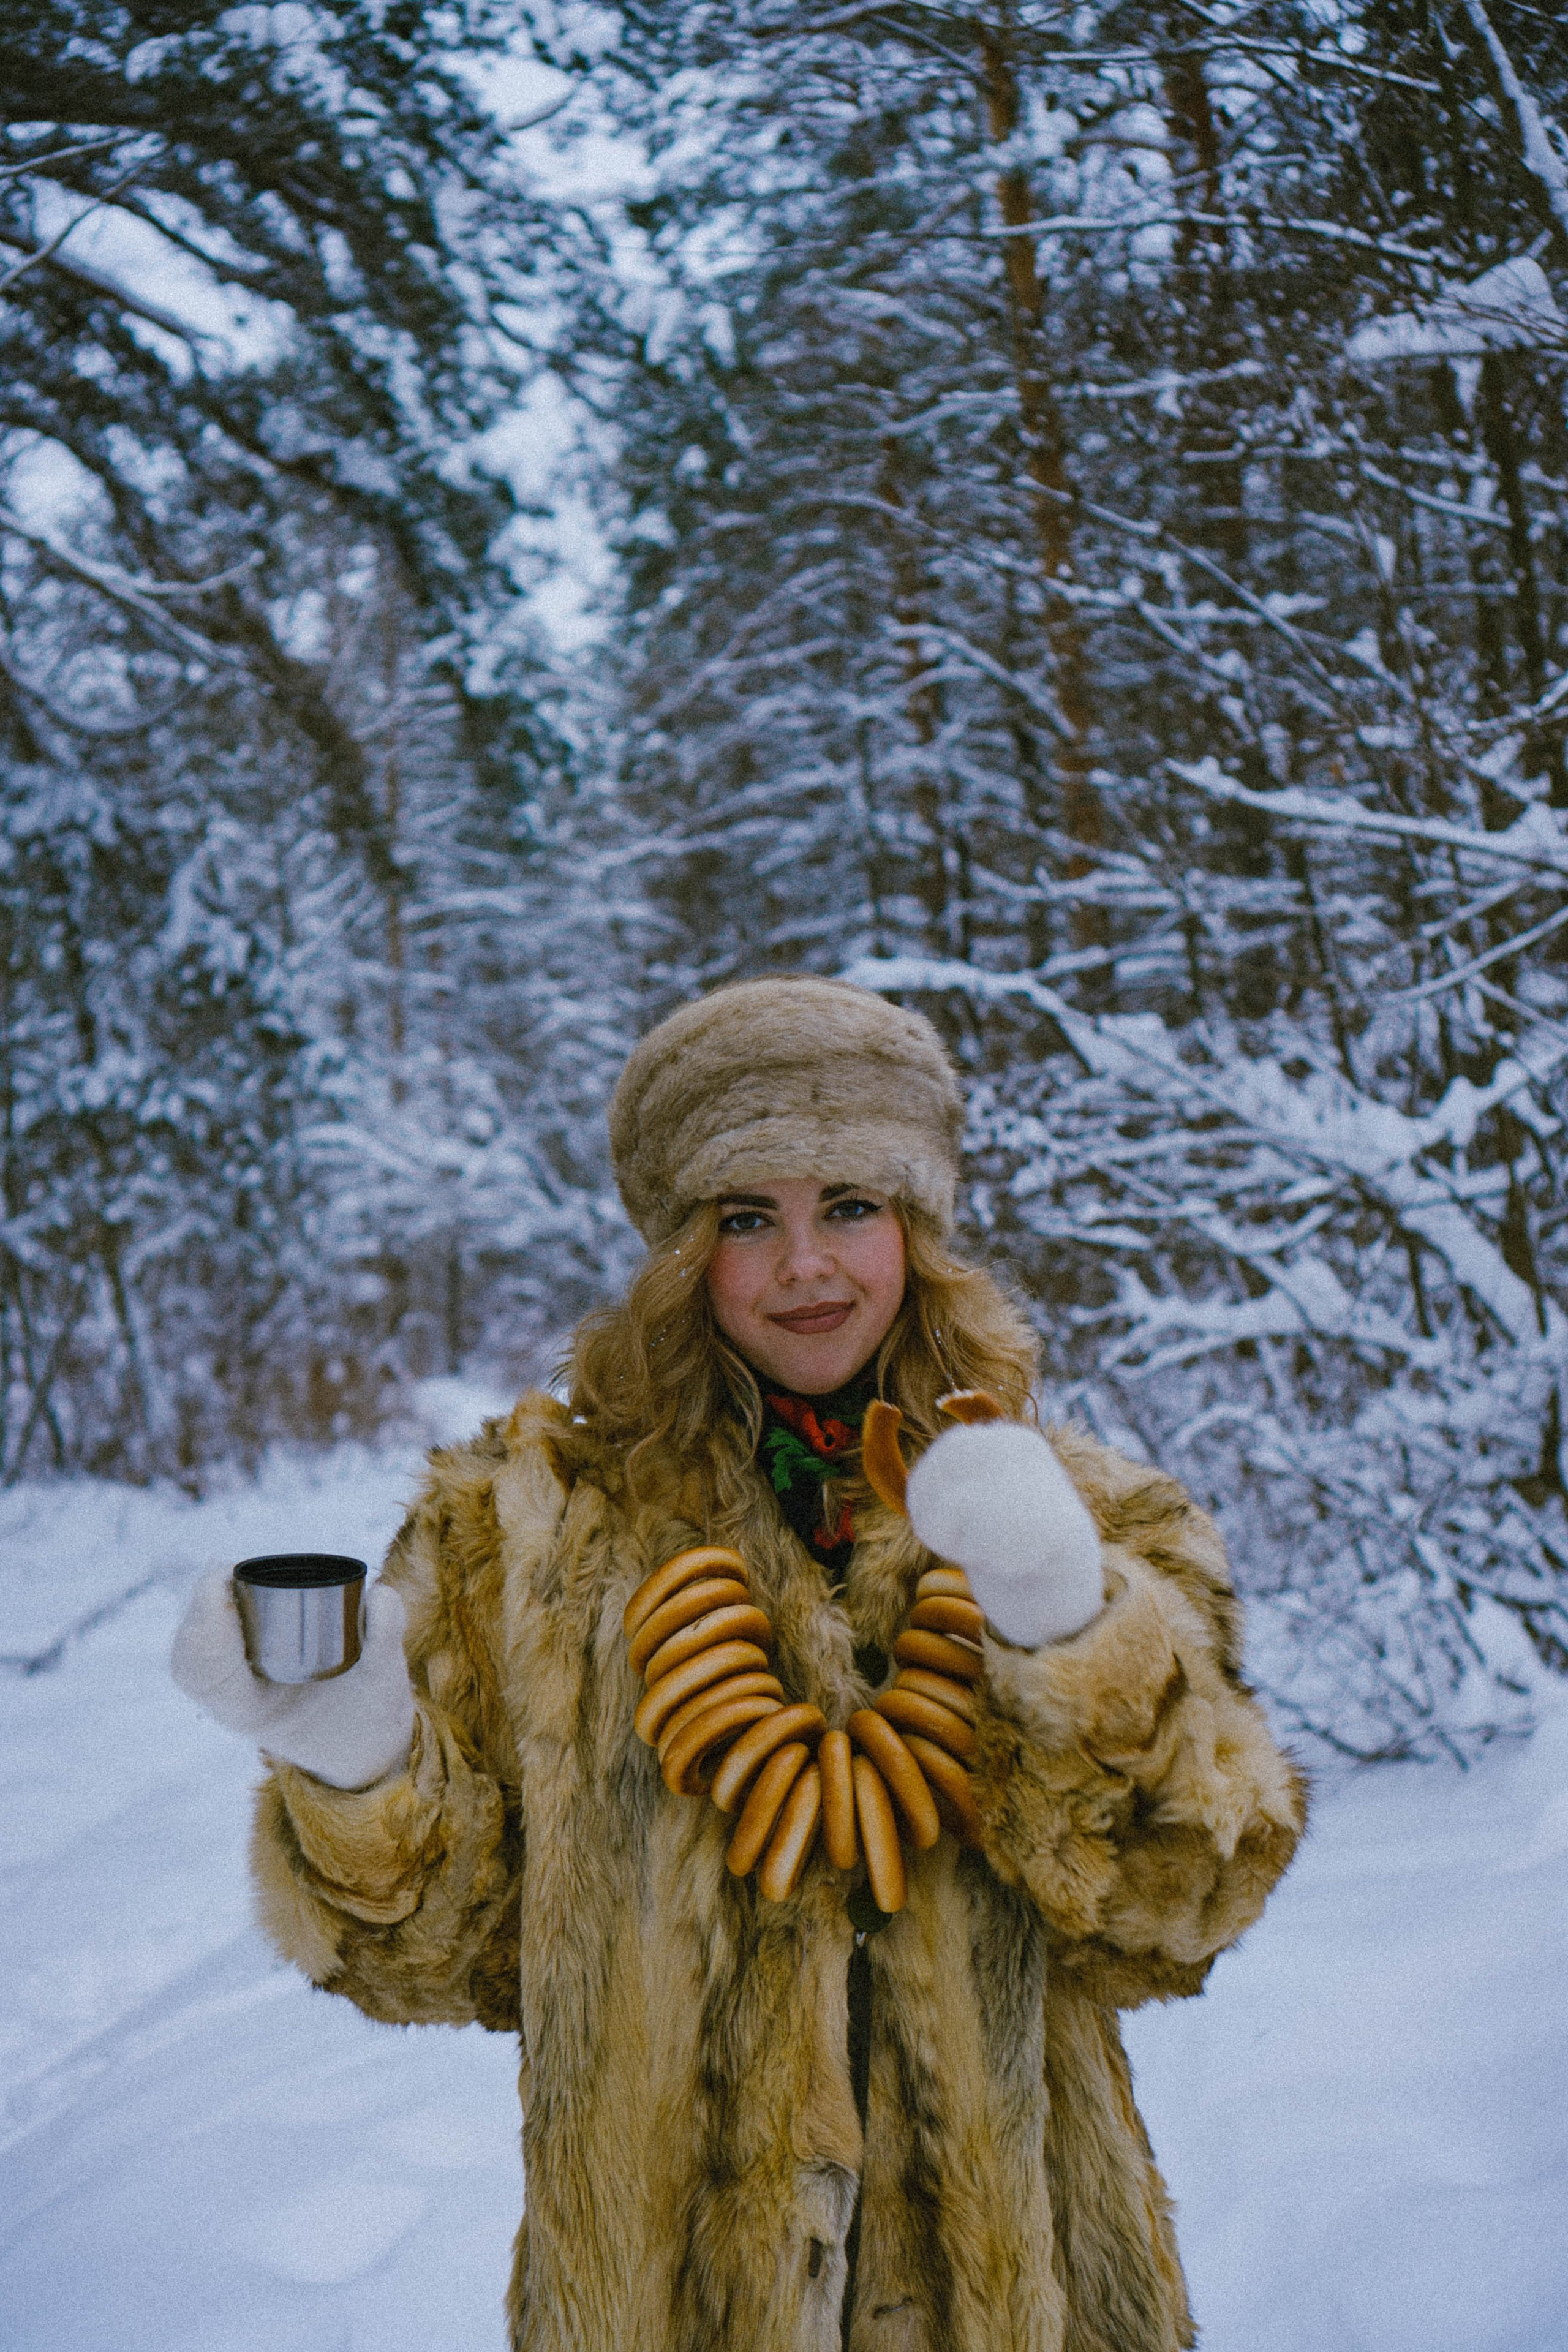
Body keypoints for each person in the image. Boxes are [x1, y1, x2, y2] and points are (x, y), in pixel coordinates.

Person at [173, 975, 1306, 2352]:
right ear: (680, 1251)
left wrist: (1064, 1623)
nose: (805, 1267)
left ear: (917, 1227)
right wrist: (355, 1762)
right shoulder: (519, 1537)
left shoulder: (1087, 1516)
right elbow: (435, 1965)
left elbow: (1185, 1902)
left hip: (1026, 2301)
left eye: (850, 1206)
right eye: (746, 1219)